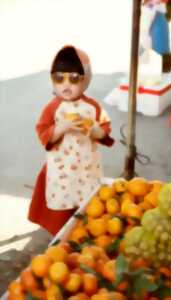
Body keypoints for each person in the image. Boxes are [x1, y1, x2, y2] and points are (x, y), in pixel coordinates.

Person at [28, 45, 114, 236]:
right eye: (59, 78)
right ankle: (61, 238)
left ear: (86, 79)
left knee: (88, 205)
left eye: (74, 79)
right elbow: (42, 131)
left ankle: (84, 235)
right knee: (62, 207)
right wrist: (61, 127)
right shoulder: (53, 107)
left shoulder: (93, 107)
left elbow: (106, 129)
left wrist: (95, 130)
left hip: (87, 167)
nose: (66, 85)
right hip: (62, 170)